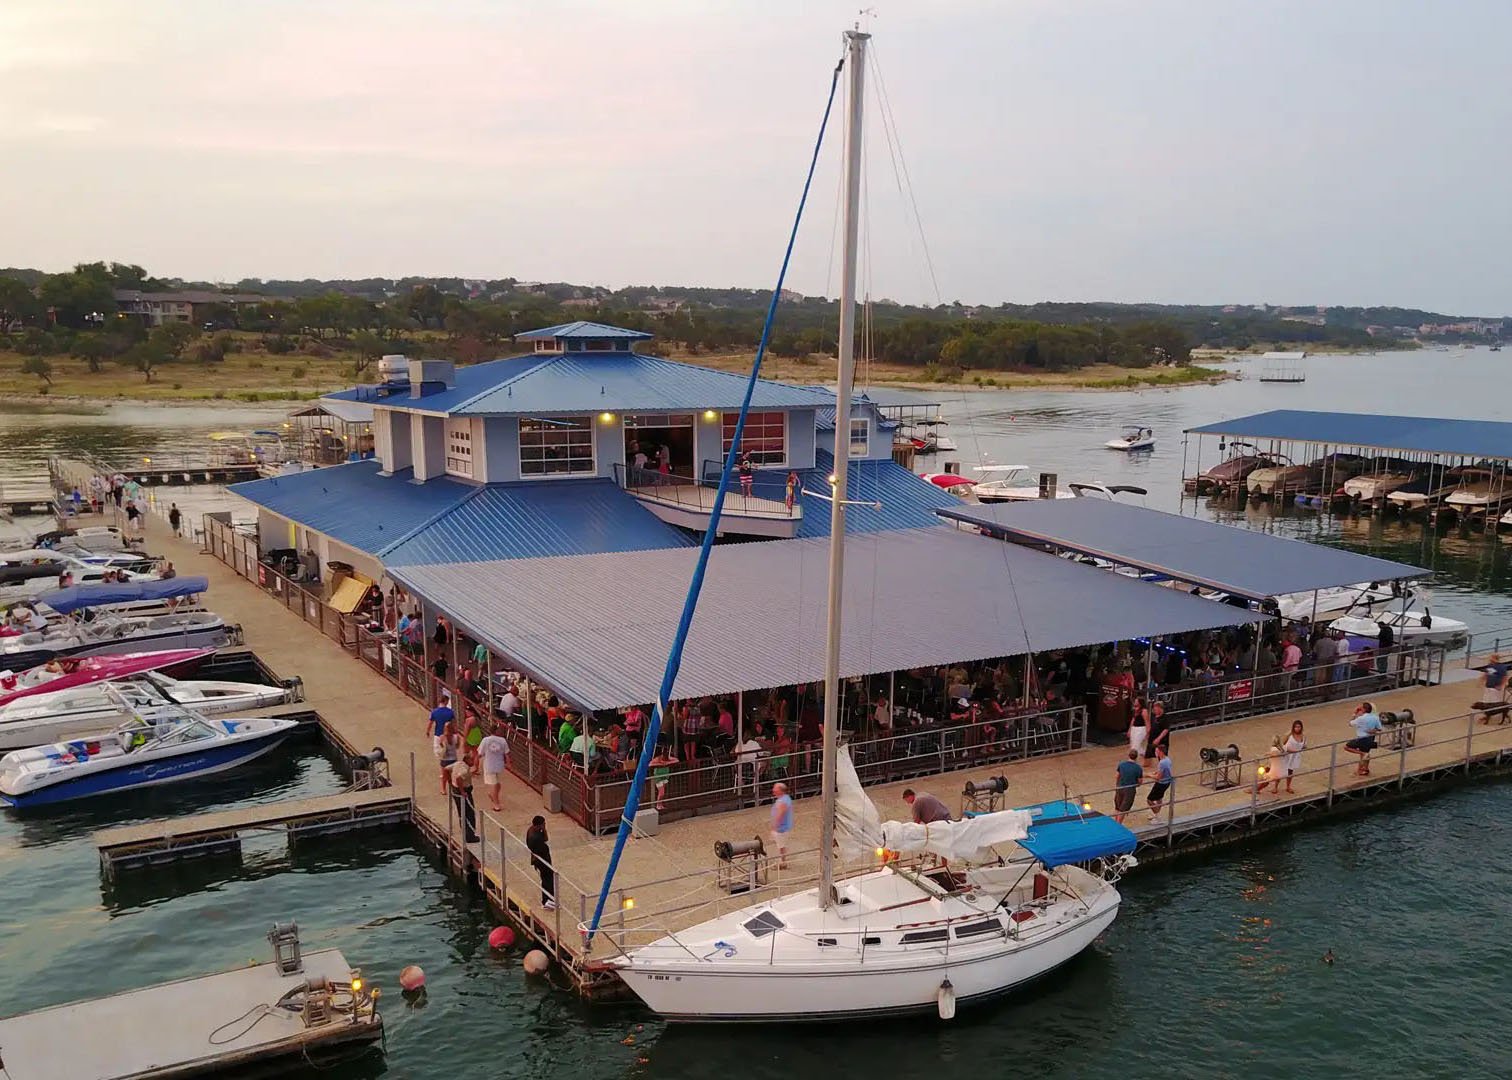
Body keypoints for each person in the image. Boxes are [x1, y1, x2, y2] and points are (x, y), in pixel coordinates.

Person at [1344, 701, 1382, 776]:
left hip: (1362, 738)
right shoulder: (1375, 717)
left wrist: (1355, 713)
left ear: (1364, 709)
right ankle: (1364, 769)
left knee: (1347, 747)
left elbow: (1350, 723)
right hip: (1371, 738)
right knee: (1366, 754)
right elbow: (1379, 728)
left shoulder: (1361, 718)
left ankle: (1361, 765)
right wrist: (1373, 730)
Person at [526, 815, 556, 909]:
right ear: (539, 825)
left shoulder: (533, 830)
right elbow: (544, 846)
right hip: (541, 861)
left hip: (541, 859)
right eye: (543, 824)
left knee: (548, 879)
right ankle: (546, 901)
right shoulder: (535, 838)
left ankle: (549, 899)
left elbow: (546, 839)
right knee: (547, 880)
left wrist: (544, 830)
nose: (545, 825)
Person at [478, 728, 510, 811]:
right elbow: (507, 754)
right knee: (495, 784)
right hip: (496, 765)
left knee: (497, 784)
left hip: (491, 765)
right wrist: (508, 763)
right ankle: (496, 803)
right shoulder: (502, 740)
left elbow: (480, 753)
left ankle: (493, 795)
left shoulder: (486, 740)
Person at [449, 755, 478, 844]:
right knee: (469, 813)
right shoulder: (464, 770)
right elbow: (459, 778)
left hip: (455, 789)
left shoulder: (457, 764)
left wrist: (450, 782)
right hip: (463, 792)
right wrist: (462, 791)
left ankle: (465, 833)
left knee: (462, 813)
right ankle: (470, 836)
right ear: (467, 760)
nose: (473, 762)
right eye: (472, 760)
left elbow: (446, 768)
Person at [1477, 653, 1509, 724]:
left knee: (1495, 702)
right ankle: (1486, 715)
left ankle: (1496, 715)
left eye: (1491, 658)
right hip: (1488, 686)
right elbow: (1486, 674)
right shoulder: (1490, 666)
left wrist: (1501, 685)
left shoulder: (1501, 667)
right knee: (1486, 702)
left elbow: (1505, 677)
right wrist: (1481, 680)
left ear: (1494, 659)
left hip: (1496, 687)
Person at [1113, 750, 1142, 824]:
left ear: (1128, 755)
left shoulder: (1122, 764)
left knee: (1118, 806)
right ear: (1136, 757)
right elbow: (1140, 781)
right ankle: (1119, 825)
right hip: (1130, 789)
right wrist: (1137, 785)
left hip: (1120, 787)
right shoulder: (1138, 768)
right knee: (1123, 808)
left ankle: (1115, 823)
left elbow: (1117, 776)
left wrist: (1117, 785)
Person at [1146, 744, 1174, 818]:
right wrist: (1156, 772)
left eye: (1156, 751)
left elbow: (1158, 777)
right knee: (1159, 798)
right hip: (1167, 782)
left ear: (1160, 752)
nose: (1155, 752)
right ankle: (1156, 814)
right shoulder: (1167, 759)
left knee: (1149, 800)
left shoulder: (1162, 763)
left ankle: (1156, 814)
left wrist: (1149, 775)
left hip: (1161, 783)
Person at [770, 782, 794, 869]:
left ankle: (782, 863)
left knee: (781, 846)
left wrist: (775, 826)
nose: (773, 790)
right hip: (783, 827)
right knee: (781, 845)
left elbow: (780, 814)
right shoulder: (785, 799)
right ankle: (782, 861)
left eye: (775, 788)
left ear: (780, 790)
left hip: (781, 828)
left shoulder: (783, 801)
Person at [1279, 720, 1305, 794]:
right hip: (1287, 755)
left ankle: (1288, 786)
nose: (1297, 728)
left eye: (1299, 727)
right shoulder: (1289, 735)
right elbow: (1282, 744)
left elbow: (1303, 745)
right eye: (1296, 727)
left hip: (1294, 756)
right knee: (1280, 771)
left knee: (1290, 771)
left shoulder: (1303, 736)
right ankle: (1275, 787)